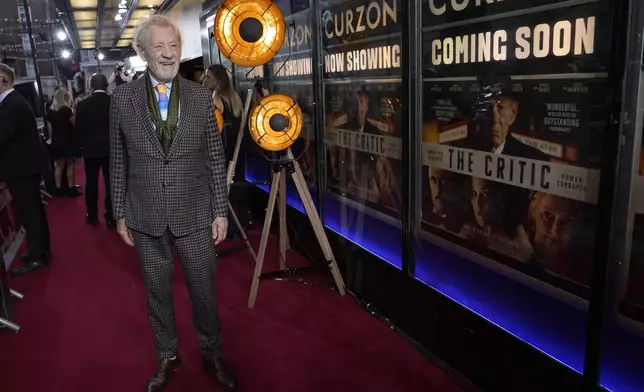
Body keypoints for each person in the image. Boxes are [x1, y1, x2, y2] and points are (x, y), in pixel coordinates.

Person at [110, 15, 235, 391]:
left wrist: (219, 210)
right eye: (159, 47)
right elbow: (119, 159)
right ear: (143, 52)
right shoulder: (121, 100)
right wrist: (119, 212)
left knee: (204, 291)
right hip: (144, 215)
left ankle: (212, 355)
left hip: (196, 213)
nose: (168, 54)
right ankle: (168, 355)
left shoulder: (201, 98)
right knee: (157, 292)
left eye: (174, 46)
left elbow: (215, 158)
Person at [0, 63, 51, 276]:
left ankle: (38, 255)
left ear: (3, 79)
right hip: (24, 167)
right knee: (33, 212)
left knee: (29, 213)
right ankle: (40, 251)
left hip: (21, 169)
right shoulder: (13, 102)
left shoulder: (11, 104)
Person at [203, 64, 250, 237]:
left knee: (221, 189)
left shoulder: (216, 99)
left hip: (221, 151)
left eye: (208, 77)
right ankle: (242, 223)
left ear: (218, 79)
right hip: (237, 149)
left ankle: (227, 227)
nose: (205, 80)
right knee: (238, 183)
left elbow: (214, 130)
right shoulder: (235, 97)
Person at [76, 73, 114, 228]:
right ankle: (111, 215)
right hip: (111, 150)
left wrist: (78, 151)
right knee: (112, 184)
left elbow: (78, 130)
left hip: (90, 150)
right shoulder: (113, 102)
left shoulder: (83, 105)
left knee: (91, 183)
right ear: (106, 85)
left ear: (91, 85)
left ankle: (92, 215)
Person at [47, 87, 81, 196]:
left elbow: (50, 129)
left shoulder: (50, 112)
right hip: (67, 139)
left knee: (59, 165)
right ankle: (71, 188)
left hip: (56, 140)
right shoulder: (66, 110)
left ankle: (57, 188)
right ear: (64, 97)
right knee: (70, 164)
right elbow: (74, 123)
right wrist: (74, 110)